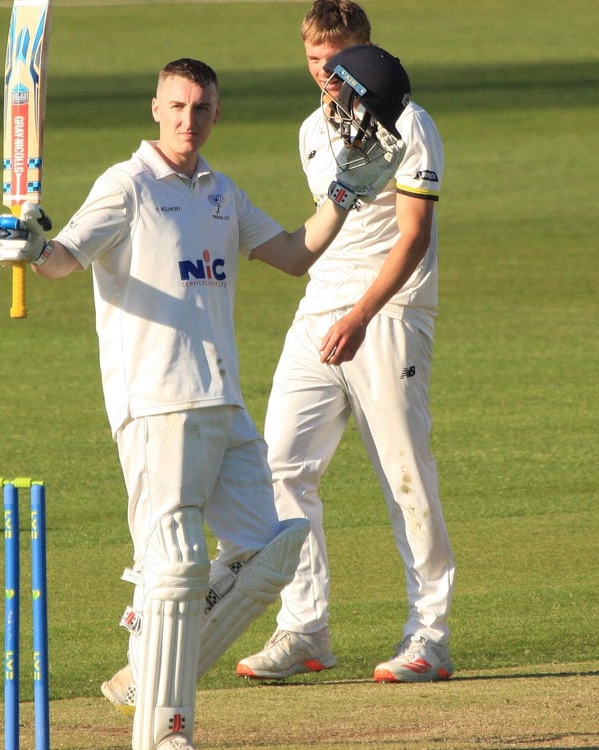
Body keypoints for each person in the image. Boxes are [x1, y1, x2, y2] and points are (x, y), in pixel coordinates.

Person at [0, 57, 404, 750]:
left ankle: (144, 668)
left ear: (216, 113)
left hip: (223, 401)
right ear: (156, 108)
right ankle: (162, 733)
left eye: (202, 108)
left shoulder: (222, 193)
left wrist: (342, 194)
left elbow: (294, 254)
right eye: (177, 107)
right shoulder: (126, 186)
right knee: (176, 566)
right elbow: (63, 258)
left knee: (274, 551)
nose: (189, 120)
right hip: (155, 403)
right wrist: (29, 243)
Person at [235, 0, 456, 684]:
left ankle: (430, 637)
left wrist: (361, 314)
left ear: (365, 51)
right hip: (318, 311)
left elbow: (412, 236)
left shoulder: (410, 123)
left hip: (387, 315)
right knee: (280, 468)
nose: (326, 74)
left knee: (404, 474)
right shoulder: (310, 128)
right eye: (314, 61)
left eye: (337, 61)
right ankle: (306, 629)